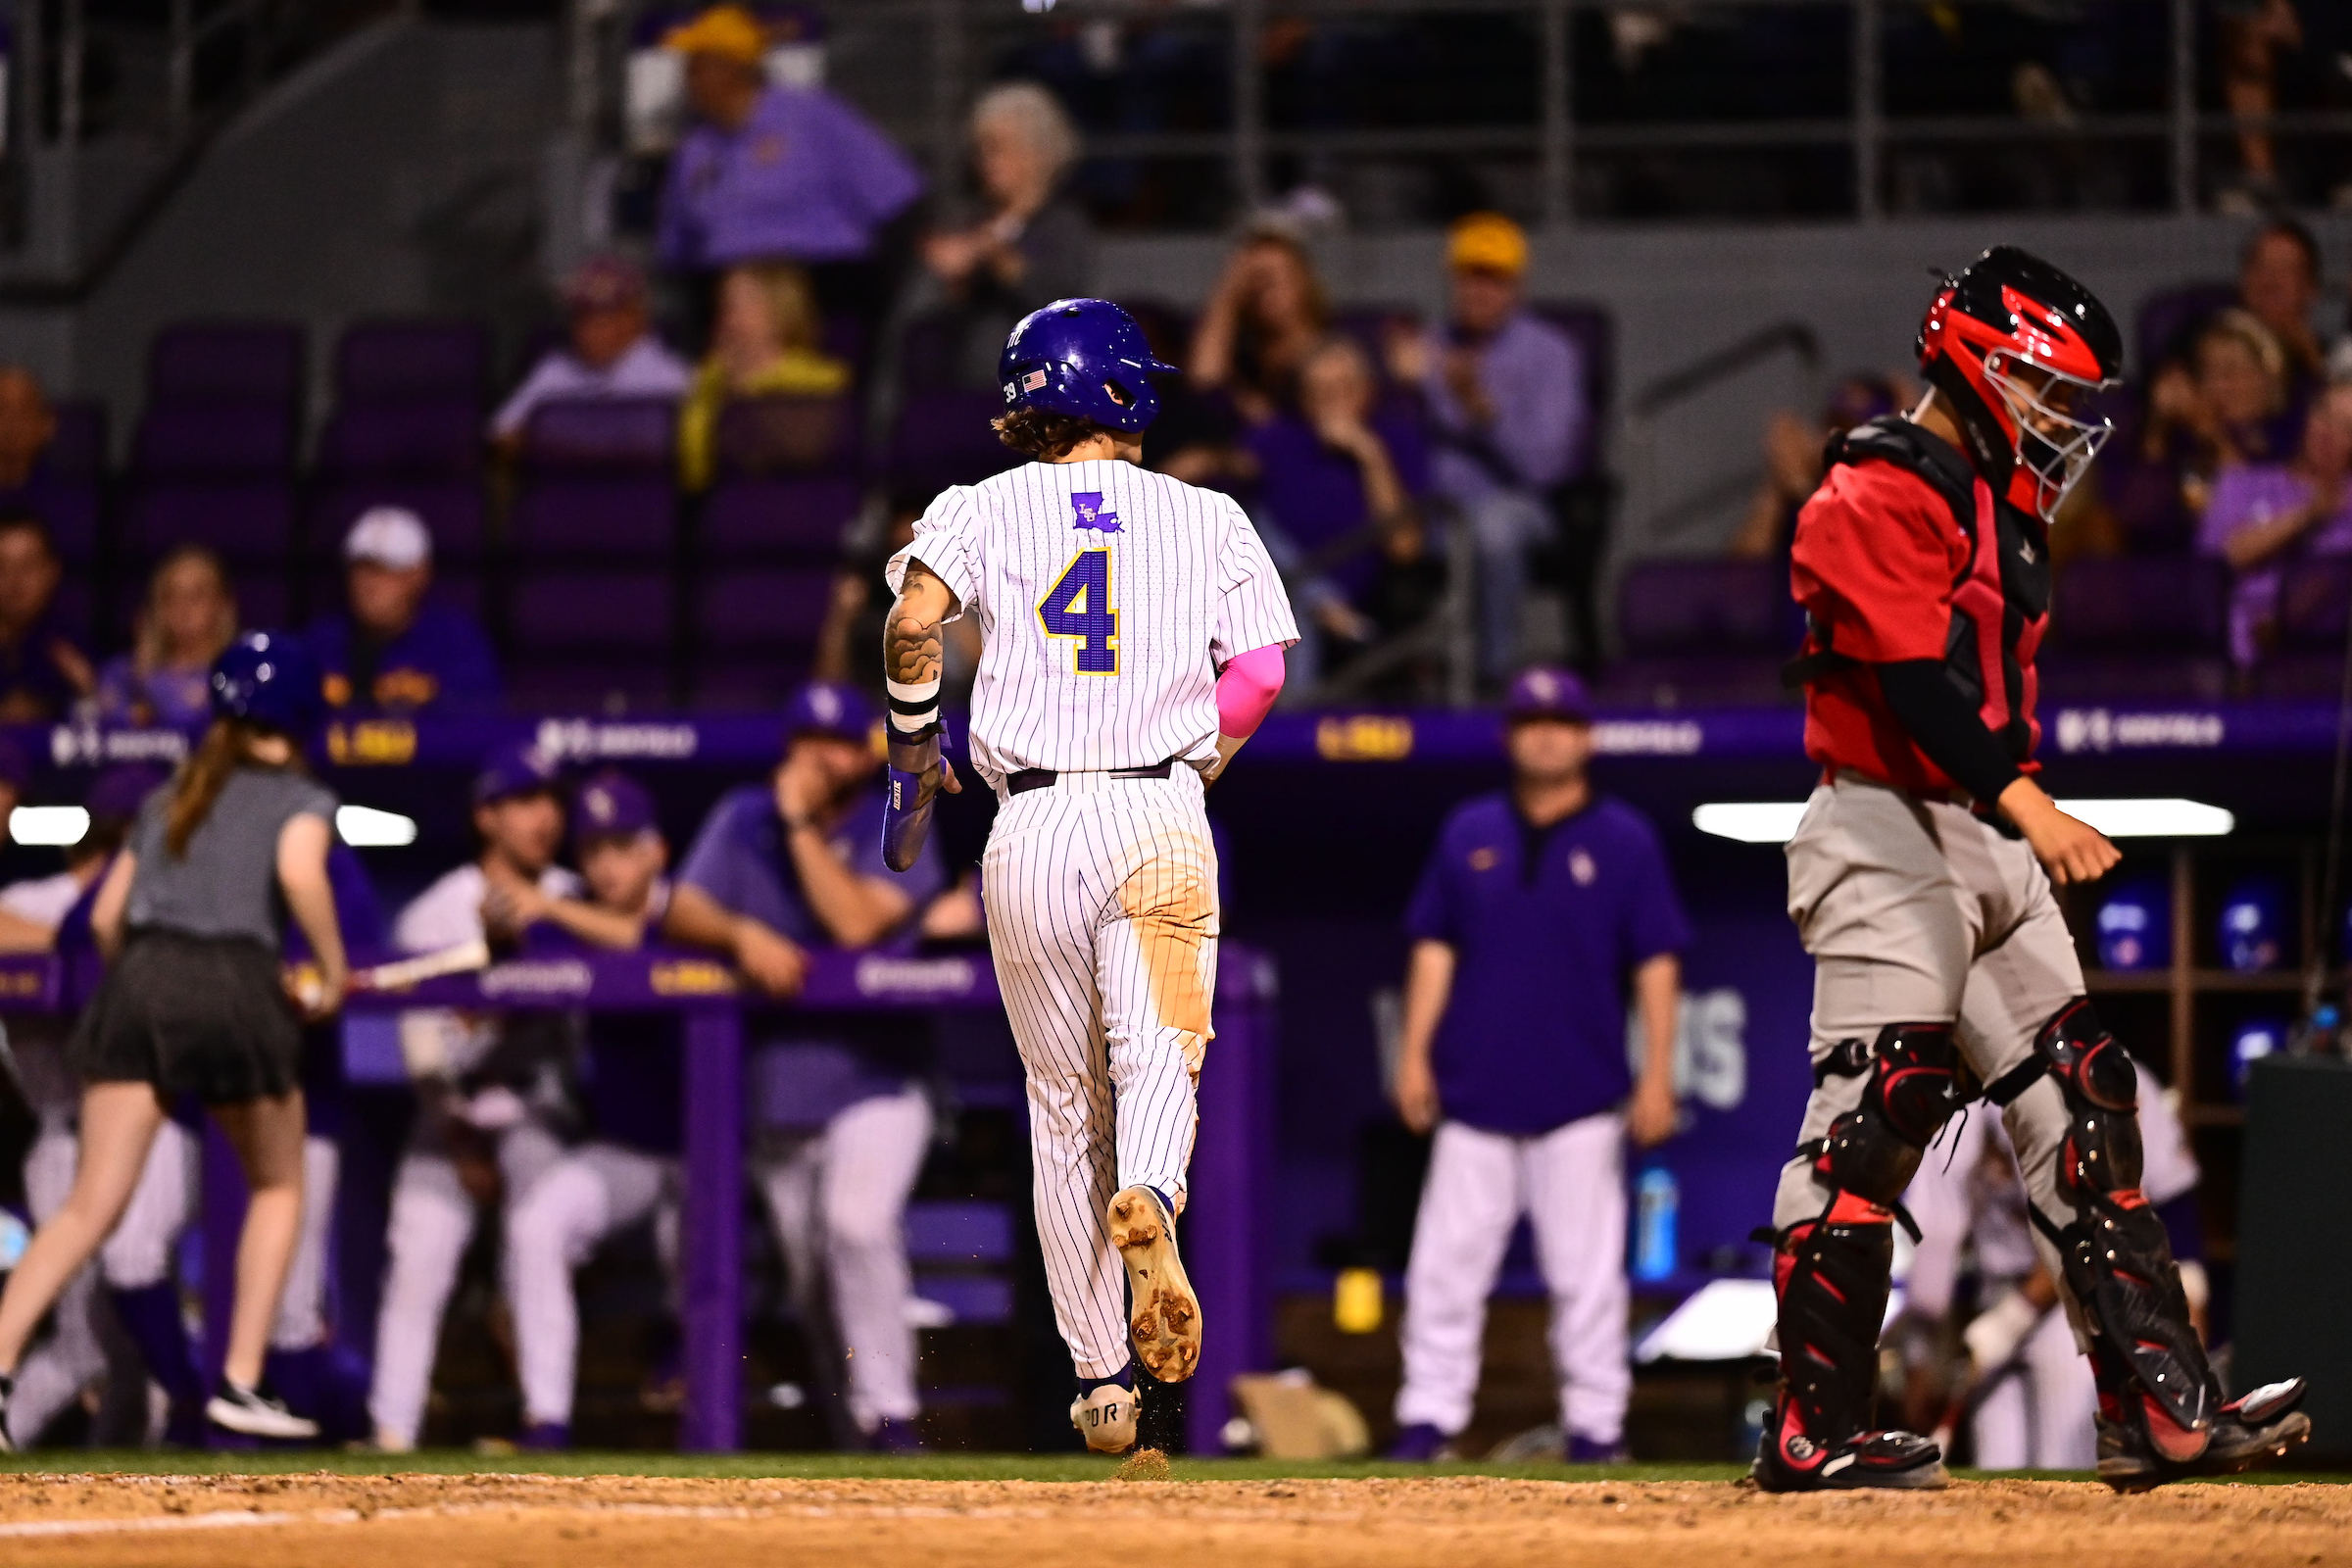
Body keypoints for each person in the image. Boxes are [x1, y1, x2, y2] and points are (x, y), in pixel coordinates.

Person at [1764, 245, 2307, 1494]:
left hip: (1983, 828)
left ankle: (2159, 1411)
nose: (2060, 416)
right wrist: (2028, 803)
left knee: (2083, 1099)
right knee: (1874, 1114)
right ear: (1975, 363)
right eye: (2043, 386)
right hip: (1885, 825)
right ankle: (1811, 1427)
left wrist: (2010, 813)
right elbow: (1911, 682)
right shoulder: (1872, 485)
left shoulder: (1998, 498)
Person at [879, 298, 1298, 1453]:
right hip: (1157, 808)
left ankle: (1103, 1383)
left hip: (1028, 823)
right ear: (1122, 392)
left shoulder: (976, 505)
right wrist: (1200, 761)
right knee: (1158, 1056)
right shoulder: (1206, 512)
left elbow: (911, 628)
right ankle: (1153, 1193)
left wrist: (913, 746)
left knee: (1064, 1106)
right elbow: (1261, 674)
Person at [0, 631, 346, 1448]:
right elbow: (301, 875)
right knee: (278, 1185)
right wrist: (329, 972)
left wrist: (155, 980)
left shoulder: (169, 798)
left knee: (89, 1206)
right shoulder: (301, 798)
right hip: (237, 986)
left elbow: (108, 919)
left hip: (140, 985)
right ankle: (241, 1381)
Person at [1384, 666, 1688, 1464]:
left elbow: (1657, 962)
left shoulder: (1625, 839)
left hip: (1581, 1096)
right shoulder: (1469, 830)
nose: (1546, 737)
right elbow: (1433, 948)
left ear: (1586, 738)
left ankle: (1596, 1426)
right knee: (1444, 1272)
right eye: (1530, 723)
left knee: (1587, 1279)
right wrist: (1413, 1056)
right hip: (1473, 1092)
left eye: (1560, 723)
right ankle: (1428, 1419)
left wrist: (1657, 1074)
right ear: (1509, 737)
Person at [663, 681, 944, 1450]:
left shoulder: (900, 815)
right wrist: (740, 935)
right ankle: (861, 1436)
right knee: (814, 1286)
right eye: (804, 742)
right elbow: (679, 908)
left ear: (864, 753)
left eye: (834, 745)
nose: (816, 760)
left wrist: (796, 825)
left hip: (878, 1082)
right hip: (776, 1097)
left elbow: (854, 925)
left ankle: (892, 1416)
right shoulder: (741, 816)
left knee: (857, 1225)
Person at [367, 742, 581, 1452]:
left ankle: (546, 1421)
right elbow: (423, 1049)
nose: (543, 818)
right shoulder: (435, 912)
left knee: (539, 1229)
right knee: (418, 1249)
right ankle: (392, 1431)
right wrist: (459, 1139)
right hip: (450, 1110)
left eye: (550, 801)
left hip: (536, 1108)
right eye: (523, 802)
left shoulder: (574, 898)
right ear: (486, 816)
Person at [498, 769, 680, 1449]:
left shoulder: (690, 904)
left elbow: (636, 939)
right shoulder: (571, 919)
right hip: (627, 1148)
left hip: (715, 1147)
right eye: (594, 849)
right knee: (535, 1225)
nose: (607, 865)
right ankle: (545, 1417)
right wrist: (501, 928)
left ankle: (688, 1362)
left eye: (622, 846)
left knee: (697, 1250)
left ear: (656, 850)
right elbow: (517, 947)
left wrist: (549, 908)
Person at [1899, 1076, 2205, 1472]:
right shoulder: (1957, 1103)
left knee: (2064, 1460)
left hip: (2085, 1298)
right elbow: (1936, 1240)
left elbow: (2094, 1224)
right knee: (1996, 1462)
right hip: (1994, 1298)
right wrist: (1921, 1355)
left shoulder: (2107, 1078)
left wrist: (2015, 1316)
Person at [1384, 214, 1588, 682]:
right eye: (1468, 277)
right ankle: (1381, 681)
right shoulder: (1428, 345)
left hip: (1519, 505)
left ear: (1516, 286)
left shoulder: (1551, 353)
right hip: (1432, 508)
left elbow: (1546, 467)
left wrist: (1479, 410)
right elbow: (1397, 446)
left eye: (1493, 279)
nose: (1478, 291)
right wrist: (1398, 393)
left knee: (1491, 529)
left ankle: (1493, 677)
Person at [656, 4, 924, 313]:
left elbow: (896, 198)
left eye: (696, 67)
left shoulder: (811, 116)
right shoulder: (695, 148)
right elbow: (676, 245)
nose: (686, 79)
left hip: (824, 287)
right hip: (727, 295)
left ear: (731, 67)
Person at [1244, 335, 1428, 679]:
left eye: (1344, 388)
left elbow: (1405, 547)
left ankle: (1321, 603)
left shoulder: (1396, 438)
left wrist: (1371, 456)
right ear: (1303, 399)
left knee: (1294, 606)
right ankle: (1322, 602)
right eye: (1321, 392)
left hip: (1371, 595)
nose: (1334, 402)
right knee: (1256, 535)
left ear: (1368, 390)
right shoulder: (1278, 438)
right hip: (1282, 590)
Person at [913, 82, 1096, 391]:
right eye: (979, 151)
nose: (984, 162)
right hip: (963, 382)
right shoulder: (969, 219)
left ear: (1036, 153)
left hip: (1037, 386)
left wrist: (995, 256)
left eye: (996, 149)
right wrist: (949, 280)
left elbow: (1061, 301)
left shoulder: (1063, 223)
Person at [2200, 380, 2352, 673]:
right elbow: (2224, 556)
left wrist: (2281, 624)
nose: (2328, 431)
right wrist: (2309, 515)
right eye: (2324, 414)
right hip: (2228, 659)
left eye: (2346, 427)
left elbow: (2327, 592)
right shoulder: (2239, 483)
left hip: (2318, 664)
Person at [678, 262, 853, 491]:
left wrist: (742, 395)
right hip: (723, 503)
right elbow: (693, 468)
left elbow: (800, 454)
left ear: (781, 308)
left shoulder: (823, 379)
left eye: (740, 304)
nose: (728, 317)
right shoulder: (710, 376)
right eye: (724, 305)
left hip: (801, 503)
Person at [491, 256, 694, 452]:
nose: (590, 331)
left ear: (636, 318)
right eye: (583, 317)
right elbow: (502, 433)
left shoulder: (673, 376)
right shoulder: (556, 367)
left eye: (605, 316)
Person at [309, 507, 501, 713]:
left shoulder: (457, 641)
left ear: (419, 574)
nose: (369, 584)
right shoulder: (320, 641)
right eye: (360, 569)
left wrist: (430, 697)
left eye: (384, 570)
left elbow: (486, 715)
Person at [1186, 221, 1331, 428]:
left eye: (1275, 277)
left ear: (1304, 279)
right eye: (1254, 280)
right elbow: (1205, 382)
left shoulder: (1332, 352)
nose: (1264, 290)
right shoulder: (1245, 359)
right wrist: (1229, 293)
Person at [96, 546, 239, 729]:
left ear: (223, 604)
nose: (182, 608)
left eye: (196, 596)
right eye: (171, 596)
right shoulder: (121, 673)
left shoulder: (236, 678)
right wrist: (140, 679)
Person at [0, 514, 92, 721]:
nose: (15, 581)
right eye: (1, 566)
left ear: (52, 571)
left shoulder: (75, 650)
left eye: (27, 566)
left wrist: (88, 692)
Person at [2235, 219, 2326, 394]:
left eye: (2286, 269)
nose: (2270, 281)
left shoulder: (2331, 363)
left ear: (2311, 289)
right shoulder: (2207, 356)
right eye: (2260, 266)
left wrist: (2313, 361)